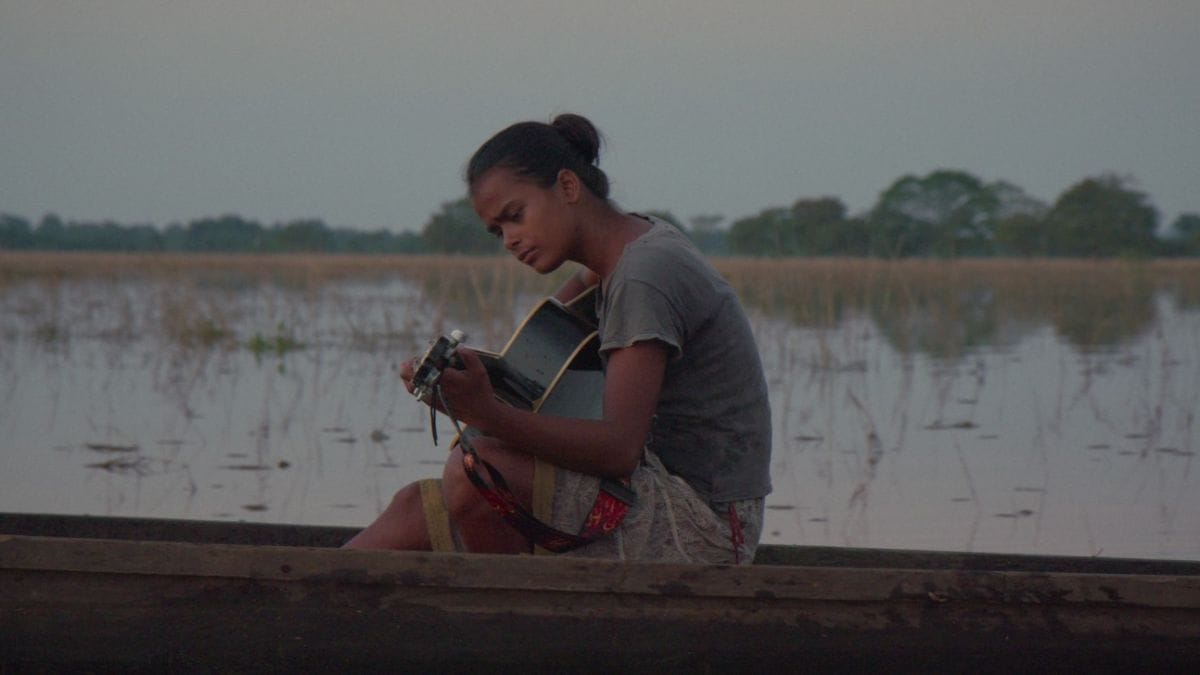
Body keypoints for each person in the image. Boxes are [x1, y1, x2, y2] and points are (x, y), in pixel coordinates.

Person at [344, 113, 771, 564]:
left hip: (709, 525)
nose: (509, 239)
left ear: (568, 187)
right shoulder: (623, 251)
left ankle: (525, 621)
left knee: (476, 474)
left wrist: (486, 410)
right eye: (497, 231)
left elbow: (618, 449)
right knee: (413, 508)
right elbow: (551, 335)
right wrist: (472, 380)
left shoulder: (644, 274)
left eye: (515, 216)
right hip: (652, 490)